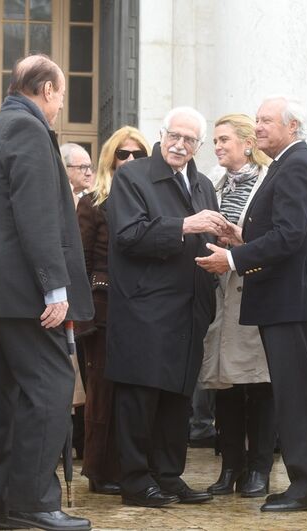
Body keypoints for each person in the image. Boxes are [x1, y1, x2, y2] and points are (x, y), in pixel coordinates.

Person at [0, 53, 92, 531]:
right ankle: (33, 503)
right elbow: (37, 217)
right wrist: (55, 289)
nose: (58, 107)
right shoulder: (29, 130)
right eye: (59, 97)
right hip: (23, 298)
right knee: (51, 389)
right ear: (48, 91)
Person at [197, 95, 307, 513]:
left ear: (292, 127)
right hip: (283, 299)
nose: (258, 127)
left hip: (289, 300)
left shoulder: (295, 166)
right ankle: (304, 485)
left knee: (297, 398)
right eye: (256, 120)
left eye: (267, 120)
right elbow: (282, 232)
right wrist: (244, 240)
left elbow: (290, 236)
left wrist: (233, 257)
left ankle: (306, 489)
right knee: (293, 396)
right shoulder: (289, 165)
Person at [105, 106, 223, 508]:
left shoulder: (204, 184)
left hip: (190, 308)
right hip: (146, 308)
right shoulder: (132, 176)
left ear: (199, 146)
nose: (179, 144)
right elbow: (127, 235)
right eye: (174, 135)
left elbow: (207, 241)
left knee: (178, 400)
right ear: (161, 134)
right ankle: (136, 483)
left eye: (189, 140)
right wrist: (185, 224)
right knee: (140, 399)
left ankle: (169, 477)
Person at [198, 114, 275, 498]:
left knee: (258, 385)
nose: (217, 146)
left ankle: (259, 468)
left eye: (224, 139)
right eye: (214, 140)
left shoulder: (266, 184)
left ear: (247, 143)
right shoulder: (212, 184)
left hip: (253, 290)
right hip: (219, 295)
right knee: (224, 387)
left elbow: (272, 241)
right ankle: (230, 467)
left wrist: (238, 242)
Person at [76, 126, 150, 495]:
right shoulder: (92, 202)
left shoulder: (152, 199)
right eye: (124, 154)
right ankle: (98, 469)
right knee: (102, 392)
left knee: (136, 394)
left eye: (138, 154)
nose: (131, 161)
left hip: (144, 309)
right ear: (111, 159)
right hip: (103, 308)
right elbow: (81, 261)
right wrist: (84, 315)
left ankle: (131, 467)